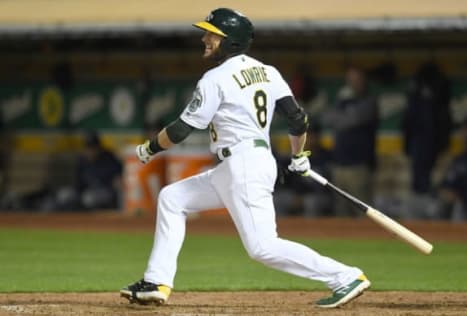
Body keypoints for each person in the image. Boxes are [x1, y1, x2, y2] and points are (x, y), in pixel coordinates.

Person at [120, 8, 370, 309]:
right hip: (239, 165)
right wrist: (298, 155)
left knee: (263, 247)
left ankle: (345, 276)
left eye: (212, 34)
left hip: (244, 166)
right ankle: (156, 281)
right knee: (173, 198)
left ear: (230, 40)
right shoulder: (268, 71)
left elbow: (181, 129)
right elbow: (297, 120)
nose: (204, 38)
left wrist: (149, 149)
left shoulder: (215, 78)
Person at [321, 66, 378, 216]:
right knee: (341, 212)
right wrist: (342, 112)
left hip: (359, 166)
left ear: (364, 81)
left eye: (357, 80)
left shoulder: (369, 101)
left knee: (363, 212)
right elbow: (326, 118)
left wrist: (340, 117)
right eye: (350, 80)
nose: (353, 84)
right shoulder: (342, 101)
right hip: (339, 165)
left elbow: (349, 121)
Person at [403, 62, 452, 195]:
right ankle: (421, 201)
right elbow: (409, 119)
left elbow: (443, 117)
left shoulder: (438, 85)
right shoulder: (416, 88)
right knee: (418, 180)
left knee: (428, 180)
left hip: (432, 142)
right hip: (420, 141)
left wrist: (442, 142)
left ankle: (426, 201)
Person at [438, 128, 467, 221]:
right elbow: (448, 181)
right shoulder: (461, 160)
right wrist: (448, 190)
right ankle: (445, 230)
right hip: (461, 198)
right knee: (447, 201)